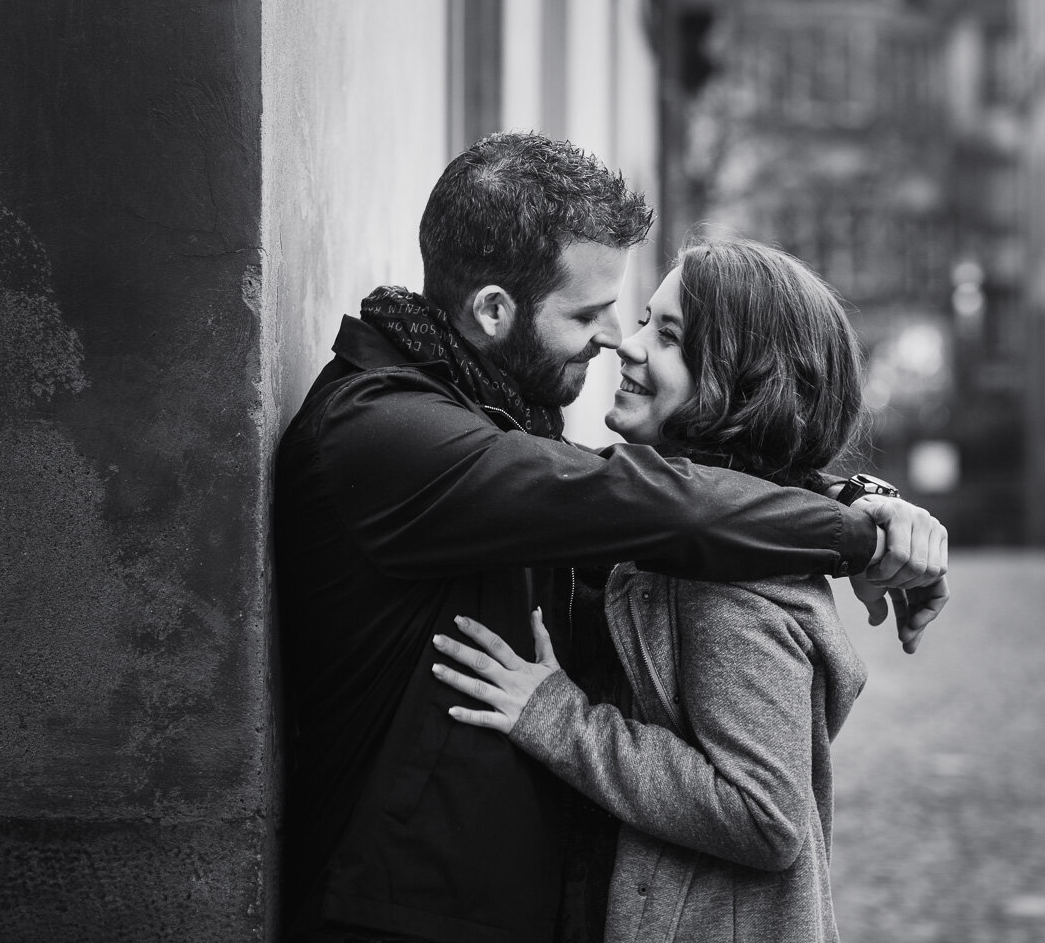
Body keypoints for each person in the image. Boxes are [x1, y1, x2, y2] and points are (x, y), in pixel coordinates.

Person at [274, 133, 948, 943]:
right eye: (590, 313)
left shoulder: (490, 421)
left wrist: (859, 498)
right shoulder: (391, 433)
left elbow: (761, 809)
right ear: (495, 310)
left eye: (655, 329)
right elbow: (652, 501)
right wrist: (857, 533)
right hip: (393, 916)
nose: (612, 341)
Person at [431, 238, 896, 943]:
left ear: (742, 382)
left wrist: (557, 717)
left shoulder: (728, 586)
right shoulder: (693, 538)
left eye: (668, 336)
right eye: (646, 320)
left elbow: (763, 814)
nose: (629, 345)